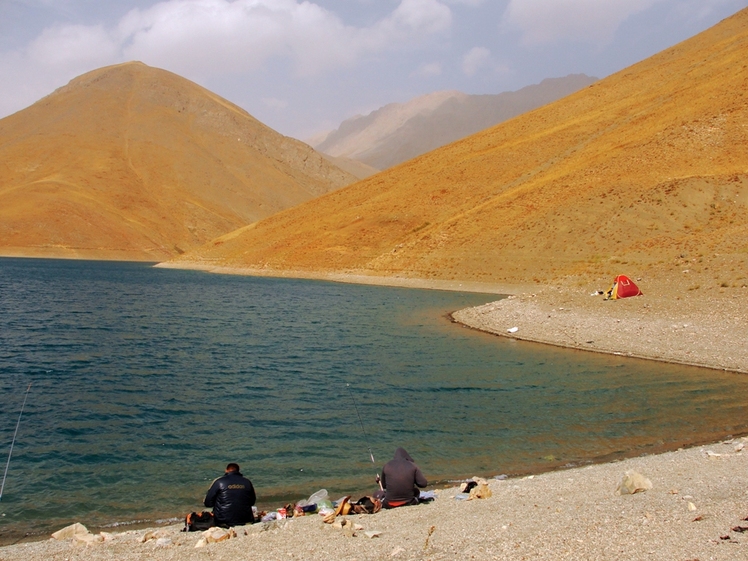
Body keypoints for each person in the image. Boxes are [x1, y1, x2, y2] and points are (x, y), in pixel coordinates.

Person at [204, 462, 256, 527]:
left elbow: (208, 503)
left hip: (223, 520)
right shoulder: (247, 482)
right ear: (238, 470)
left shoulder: (219, 482)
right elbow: (252, 502)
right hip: (245, 519)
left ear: (226, 470)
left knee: (207, 510)